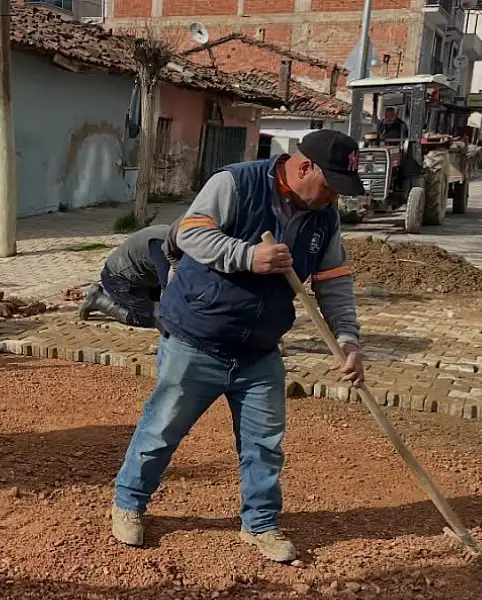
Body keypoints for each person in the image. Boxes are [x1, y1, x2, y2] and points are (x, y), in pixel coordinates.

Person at [109, 129, 366, 564]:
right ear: (305, 167)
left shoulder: (324, 217)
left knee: (264, 444)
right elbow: (189, 233)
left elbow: (334, 281)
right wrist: (248, 257)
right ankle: (129, 502)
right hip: (197, 337)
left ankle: (261, 524)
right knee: (162, 429)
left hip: (260, 349)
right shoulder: (236, 183)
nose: (332, 199)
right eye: (329, 187)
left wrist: (348, 340)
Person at [79, 219, 181, 328]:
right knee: (145, 318)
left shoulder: (173, 235)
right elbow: (168, 287)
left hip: (141, 276)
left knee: (158, 305)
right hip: (119, 278)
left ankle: (112, 297)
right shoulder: (160, 245)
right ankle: (98, 299)